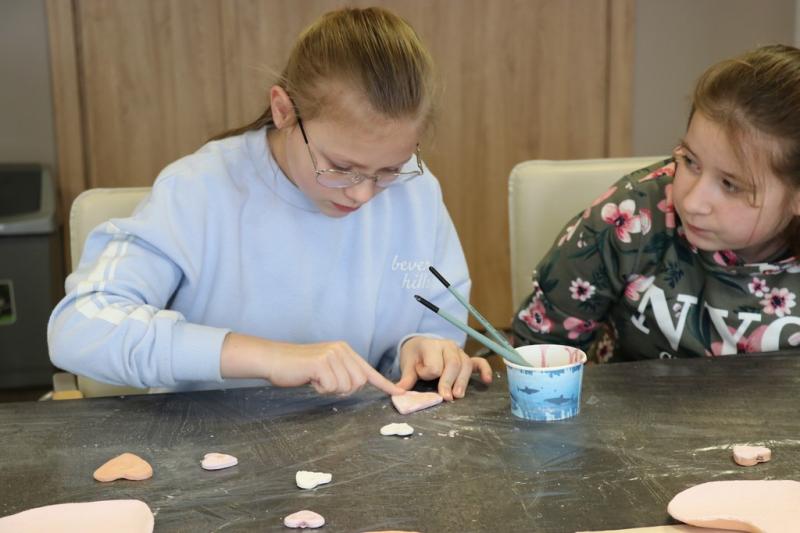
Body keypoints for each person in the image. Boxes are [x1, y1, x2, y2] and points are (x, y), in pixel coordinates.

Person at [48, 7, 492, 399]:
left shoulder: (417, 193)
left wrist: (420, 352)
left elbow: (434, 329)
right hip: (207, 447)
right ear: (283, 111)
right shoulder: (199, 190)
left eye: (390, 169)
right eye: (340, 167)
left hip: (360, 450)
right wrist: (269, 357)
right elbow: (80, 327)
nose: (362, 193)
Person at [513, 44, 800, 362]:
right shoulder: (629, 216)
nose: (692, 202)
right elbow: (537, 349)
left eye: (730, 185)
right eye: (690, 161)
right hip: (622, 395)